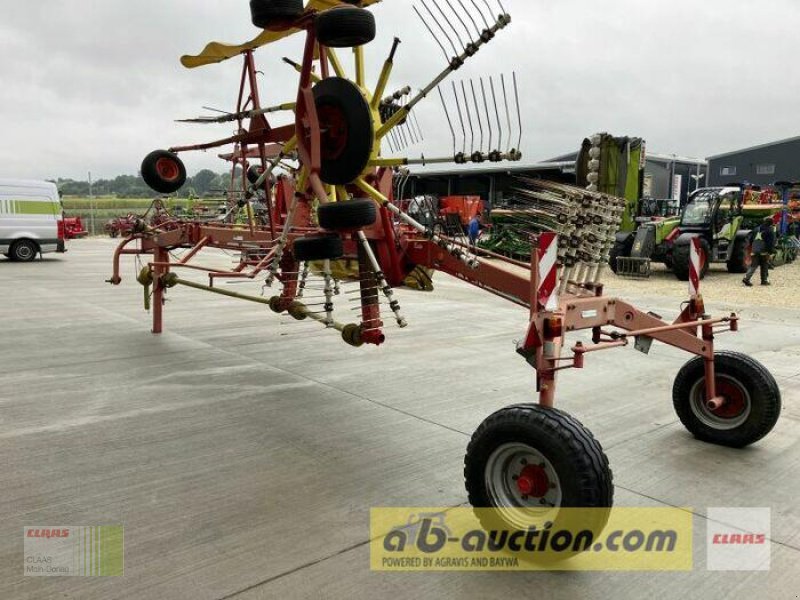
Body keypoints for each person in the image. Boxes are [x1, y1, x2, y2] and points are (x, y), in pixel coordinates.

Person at [743, 216, 776, 287]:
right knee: (764, 265)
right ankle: (764, 280)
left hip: (755, 250)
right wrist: (771, 252)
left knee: (753, 266)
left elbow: (751, 240)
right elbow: (770, 243)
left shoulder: (756, 229)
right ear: (771, 223)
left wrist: (752, 249)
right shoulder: (770, 231)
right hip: (764, 252)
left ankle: (746, 278)